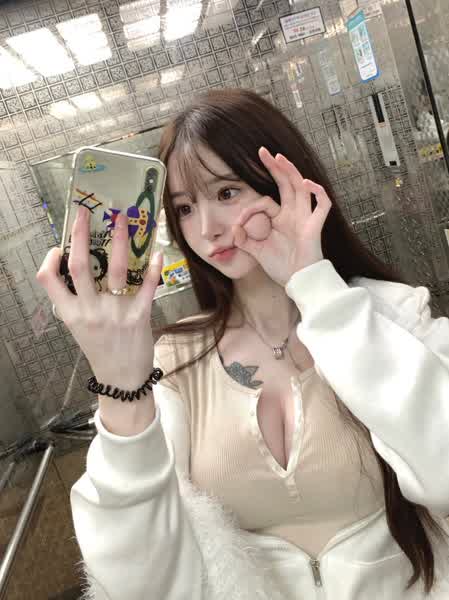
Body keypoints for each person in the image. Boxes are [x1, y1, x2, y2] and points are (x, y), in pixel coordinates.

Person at [36, 88, 449, 600]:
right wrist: (121, 387)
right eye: (184, 207)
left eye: (227, 193)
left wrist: (318, 289)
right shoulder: (174, 362)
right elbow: (137, 585)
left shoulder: (391, 315)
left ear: (288, 184)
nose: (206, 229)